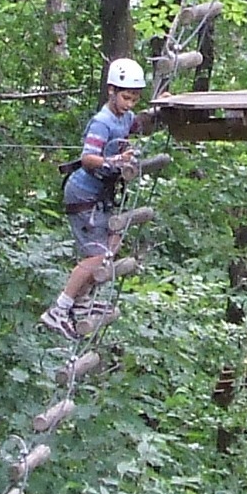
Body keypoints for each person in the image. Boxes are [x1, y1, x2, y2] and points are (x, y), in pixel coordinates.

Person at [41, 58, 145, 340]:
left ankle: (84, 302)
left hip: (101, 194)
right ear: (111, 90)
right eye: (125, 97)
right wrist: (115, 160)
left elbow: (138, 125)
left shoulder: (124, 117)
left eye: (134, 98)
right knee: (96, 255)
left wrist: (160, 106)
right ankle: (60, 309)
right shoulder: (102, 122)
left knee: (112, 243)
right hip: (84, 193)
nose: (129, 103)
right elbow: (89, 158)